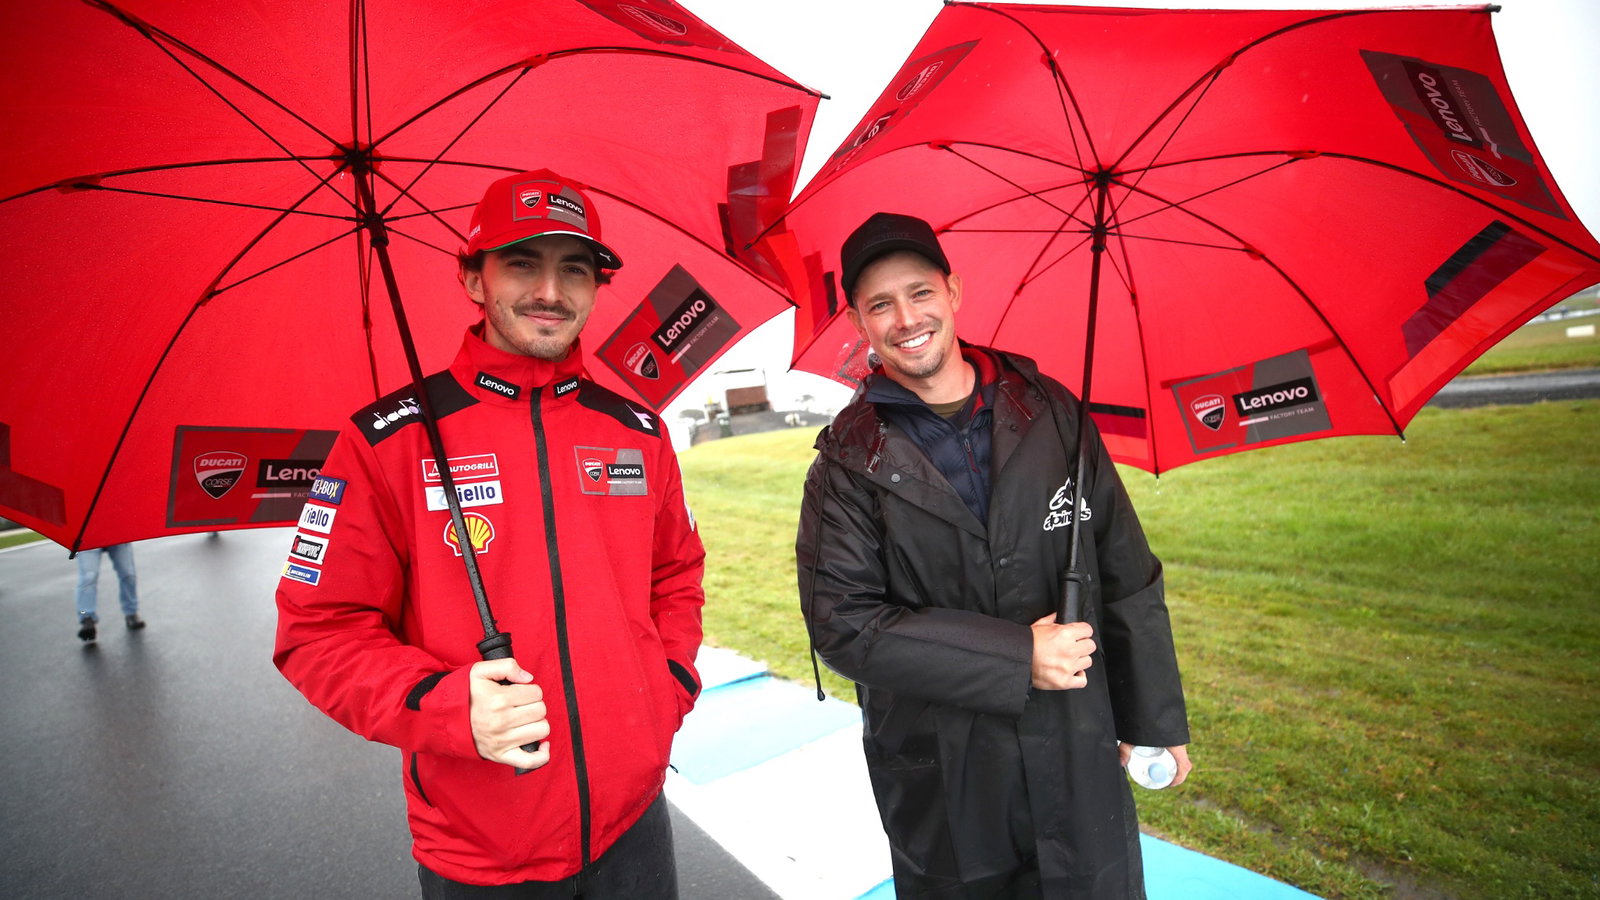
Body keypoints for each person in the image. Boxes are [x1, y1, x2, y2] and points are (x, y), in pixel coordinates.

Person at [274, 169, 706, 897]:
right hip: (482, 851)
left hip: (635, 822)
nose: (551, 291)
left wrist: (668, 686)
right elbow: (317, 632)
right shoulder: (385, 441)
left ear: (597, 286)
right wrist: (444, 704)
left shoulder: (637, 431)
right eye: (522, 264)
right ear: (473, 279)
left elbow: (676, 576)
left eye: (575, 269)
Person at [795, 213, 1191, 898]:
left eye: (920, 292)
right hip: (947, 776)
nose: (906, 319)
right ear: (858, 322)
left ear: (952, 291)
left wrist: (1151, 717)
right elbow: (844, 625)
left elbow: (1125, 569)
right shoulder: (846, 463)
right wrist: (1016, 656)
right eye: (880, 305)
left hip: (1075, 744)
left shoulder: (1053, 413)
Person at [75, 542, 144, 641]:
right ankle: (87, 617)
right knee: (88, 577)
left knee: (128, 574)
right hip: (87, 537)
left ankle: (131, 612)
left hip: (118, 535)